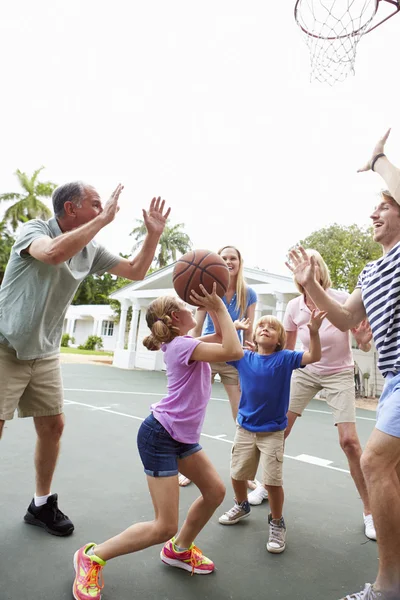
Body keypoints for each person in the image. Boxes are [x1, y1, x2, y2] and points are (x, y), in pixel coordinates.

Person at [0, 182, 170, 536]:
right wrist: (104, 220)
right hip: (5, 345)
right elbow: (52, 254)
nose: (104, 208)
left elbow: (136, 271)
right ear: (71, 208)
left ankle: (41, 504)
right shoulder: (34, 230)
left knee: (53, 426)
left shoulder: (90, 249)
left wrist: (153, 235)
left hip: (44, 351)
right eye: (95, 204)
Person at [72, 284, 243, 599]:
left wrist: (222, 309)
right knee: (164, 525)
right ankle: (91, 556)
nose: (193, 309)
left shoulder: (184, 342)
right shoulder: (181, 347)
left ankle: (179, 550)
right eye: (186, 307)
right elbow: (234, 351)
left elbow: (222, 339)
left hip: (180, 437)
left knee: (215, 492)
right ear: (176, 317)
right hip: (160, 436)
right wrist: (218, 307)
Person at [287, 129, 400, 600]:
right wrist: (310, 285)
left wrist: (378, 161)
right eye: (374, 207)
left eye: (384, 205)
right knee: (390, 471)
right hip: (395, 378)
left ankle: (388, 587)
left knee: (373, 461)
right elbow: (347, 316)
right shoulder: (372, 270)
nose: (373, 213)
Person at [248, 250, 376, 541]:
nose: (307, 267)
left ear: (320, 270)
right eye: (302, 265)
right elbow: (287, 352)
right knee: (278, 431)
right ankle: (265, 486)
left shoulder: (342, 298)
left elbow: (362, 342)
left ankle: (370, 512)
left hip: (339, 373)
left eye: (313, 263)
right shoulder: (294, 307)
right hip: (306, 372)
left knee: (350, 442)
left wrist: (365, 343)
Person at [217, 310, 326, 554]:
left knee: (272, 482)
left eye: (272, 327)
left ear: (279, 339)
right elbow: (224, 346)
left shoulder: (285, 358)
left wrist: (315, 331)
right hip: (245, 428)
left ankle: (276, 522)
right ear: (254, 335)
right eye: (261, 326)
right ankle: (241, 505)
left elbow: (314, 355)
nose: (265, 328)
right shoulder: (243, 356)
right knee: (237, 474)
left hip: (273, 432)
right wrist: (233, 327)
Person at [178, 245, 257, 488]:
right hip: (210, 353)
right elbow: (196, 328)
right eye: (224, 258)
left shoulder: (249, 294)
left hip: (234, 356)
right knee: (194, 410)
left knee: (241, 415)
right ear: (217, 262)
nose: (228, 261)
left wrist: (252, 348)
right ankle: (187, 467)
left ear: (240, 262)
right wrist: (189, 350)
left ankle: (244, 472)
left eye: (233, 258)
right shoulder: (207, 288)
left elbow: (249, 330)